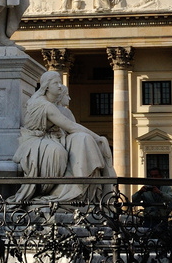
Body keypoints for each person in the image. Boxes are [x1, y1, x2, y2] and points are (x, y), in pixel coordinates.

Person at [12, 72, 114, 201]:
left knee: (83, 138)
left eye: (60, 83)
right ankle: (63, 192)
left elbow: (71, 128)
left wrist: (93, 138)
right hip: (35, 141)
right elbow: (71, 126)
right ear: (46, 86)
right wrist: (98, 137)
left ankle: (84, 190)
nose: (60, 86)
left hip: (55, 138)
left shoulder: (53, 105)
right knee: (58, 151)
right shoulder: (45, 105)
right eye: (56, 83)